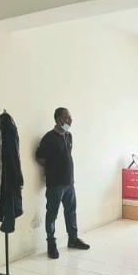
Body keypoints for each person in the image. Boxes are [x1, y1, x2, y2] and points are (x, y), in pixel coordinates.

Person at [35, 107, 90, 259]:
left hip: (69, 183)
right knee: (52, 213)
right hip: (55, 184)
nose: (70, 120)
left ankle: (73, 239)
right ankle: (51, 243)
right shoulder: (49, 138)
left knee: (71, 211)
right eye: (67, 117)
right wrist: (52, 168)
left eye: (70, 117)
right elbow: (39, 157)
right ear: (59, 120)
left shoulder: (69, 136)